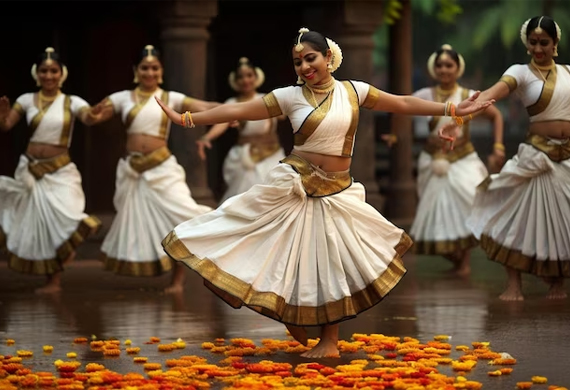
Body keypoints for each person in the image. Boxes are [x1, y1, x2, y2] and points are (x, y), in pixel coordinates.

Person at [155, 28, 494, 358]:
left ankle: (328, 339)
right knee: (275, 252)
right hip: (295, 184)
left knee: (329, 265)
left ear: (329, 57)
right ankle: (275, 306)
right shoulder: (289, 96)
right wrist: (186, 119)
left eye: (310, 58)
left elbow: (402, 103)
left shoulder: (354, 91)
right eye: (298, 62)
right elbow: (236, 111)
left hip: (337, 189)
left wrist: (452, 110)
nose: (304, 67)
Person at [440, 16, 569, 300]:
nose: (538, 49)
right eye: (533, 43)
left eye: (544, 43)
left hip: (567, 158)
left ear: (555, 43)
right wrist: (457, 120)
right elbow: (488, 97)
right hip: (536, 155)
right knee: (516, 218)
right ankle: (514, 284)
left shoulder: (569, 73)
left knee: (563, 224)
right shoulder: (520, 72)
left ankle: (558, 284)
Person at [86, 45, 216, 293]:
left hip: (162, 169)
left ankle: (179, 279)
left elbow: (204, 105)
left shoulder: (171, 97)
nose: (150, 72)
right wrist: (92, 116)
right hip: (133, 170)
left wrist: (236, 111)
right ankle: (165, 271)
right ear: (136, 71)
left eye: (154, 67)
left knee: (181, 214)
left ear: (161, 71)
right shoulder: (122, 97)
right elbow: (94, 116)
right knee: (146, 223)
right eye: (145, 67)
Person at [383, 44, 504, 277]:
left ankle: (465, 262)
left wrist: (498, 145)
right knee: (434, 215)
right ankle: (456, 258)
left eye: (449, 65)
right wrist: (396, 135)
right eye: (439, 65)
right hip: (433, 159)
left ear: (458, 68)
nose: (444, 70)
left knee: (470, 204)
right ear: (433, 69)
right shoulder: (425, 96)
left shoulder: (470, 96)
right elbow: (402, 110)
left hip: (463, 159)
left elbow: (495, 114)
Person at [0, 47, 102, 294]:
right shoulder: (26, 100)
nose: (48, 76)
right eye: (44, 71)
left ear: (61, 74)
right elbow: (6, 126)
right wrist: (2, 114)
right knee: (41, 228)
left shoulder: (72, 102)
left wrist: (96, 114)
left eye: (53, 71)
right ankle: (52, 282)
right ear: (37, 73)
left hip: (60, 172)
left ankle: (55, 276)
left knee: (65, 220)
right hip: (30, 171)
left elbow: (88, 118)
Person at [196, 57, 285, 203]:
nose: (245, 80)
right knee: (245, 198)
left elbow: (286, 113)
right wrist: (207, 137)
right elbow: (221, 123)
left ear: (256, 77)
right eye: (241, 77)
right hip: (244, 157)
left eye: (249, 75)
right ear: (235, 81)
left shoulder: (267, 99)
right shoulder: (232, 103)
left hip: (271, 155)